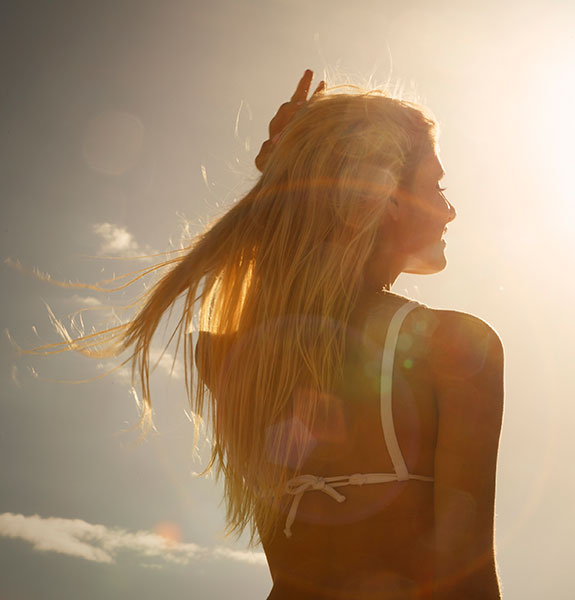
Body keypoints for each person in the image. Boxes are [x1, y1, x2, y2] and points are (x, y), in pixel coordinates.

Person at [50, 70, 504, 599]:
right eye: (436, 186)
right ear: (387, 201)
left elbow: (294, 290)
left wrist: (286, 180)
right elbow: (467, 578)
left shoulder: (228, 359)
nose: (451, 209)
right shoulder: (455, 348)